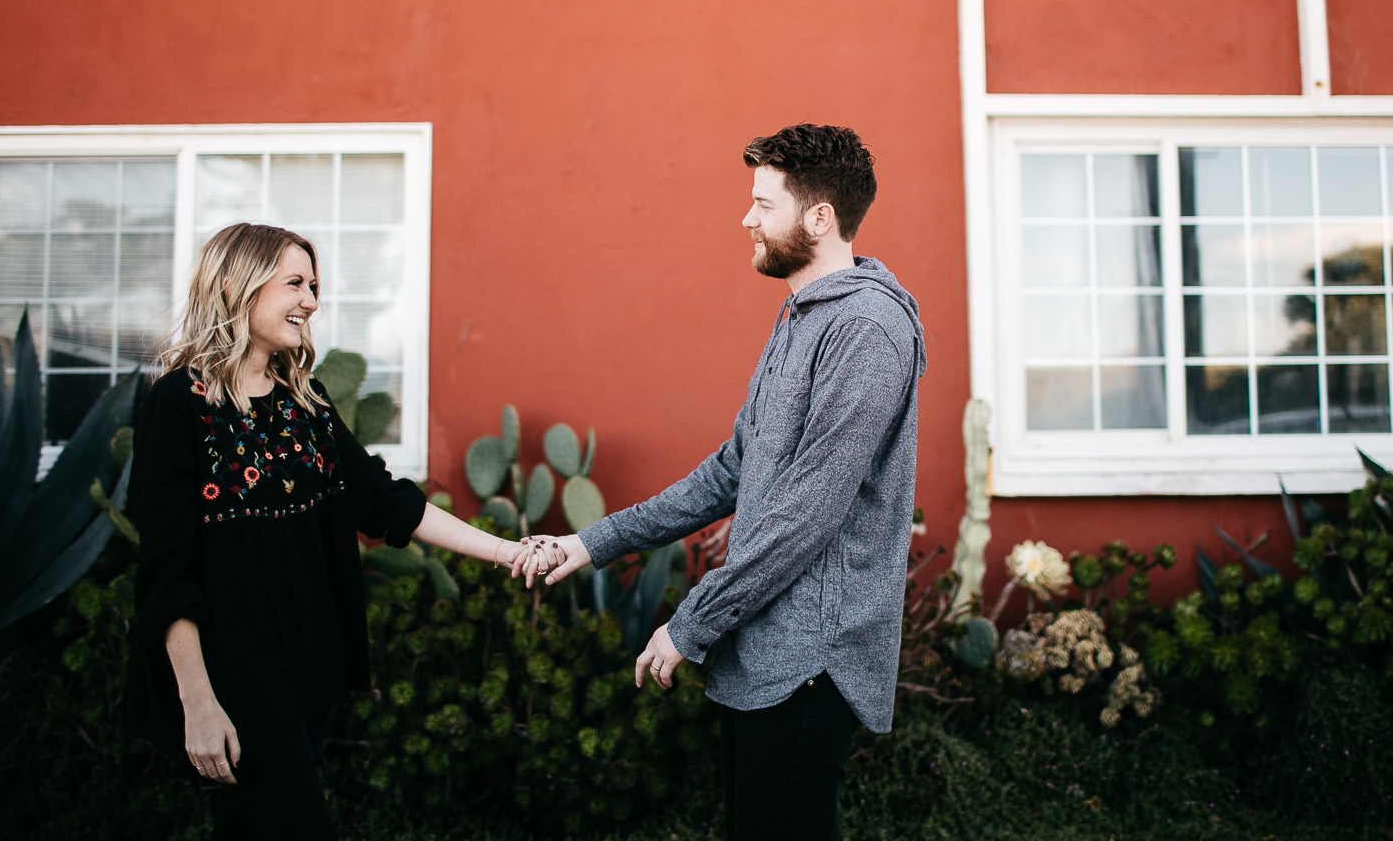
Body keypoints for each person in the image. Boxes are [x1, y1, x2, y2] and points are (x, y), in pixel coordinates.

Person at [520, 124, 925, 841]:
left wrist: (692, 622)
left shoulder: (866, 329)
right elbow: (732, 470)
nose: (746, 218)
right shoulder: (801, 317)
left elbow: (807, 514)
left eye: (764, 204)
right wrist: (594, 542)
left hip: (810, 664)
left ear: (819, 218)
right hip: (763, 651)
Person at [128, 223, 541, 840]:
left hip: (306, 663)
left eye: (313, 285)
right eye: (294, 283)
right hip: (233, 672)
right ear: (240, 287)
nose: (311, 301)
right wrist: (198, 699)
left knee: (252, 828)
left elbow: (387, 504)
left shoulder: (306, 403)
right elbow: (167, 566)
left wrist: (508, 550)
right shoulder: (178, 405)